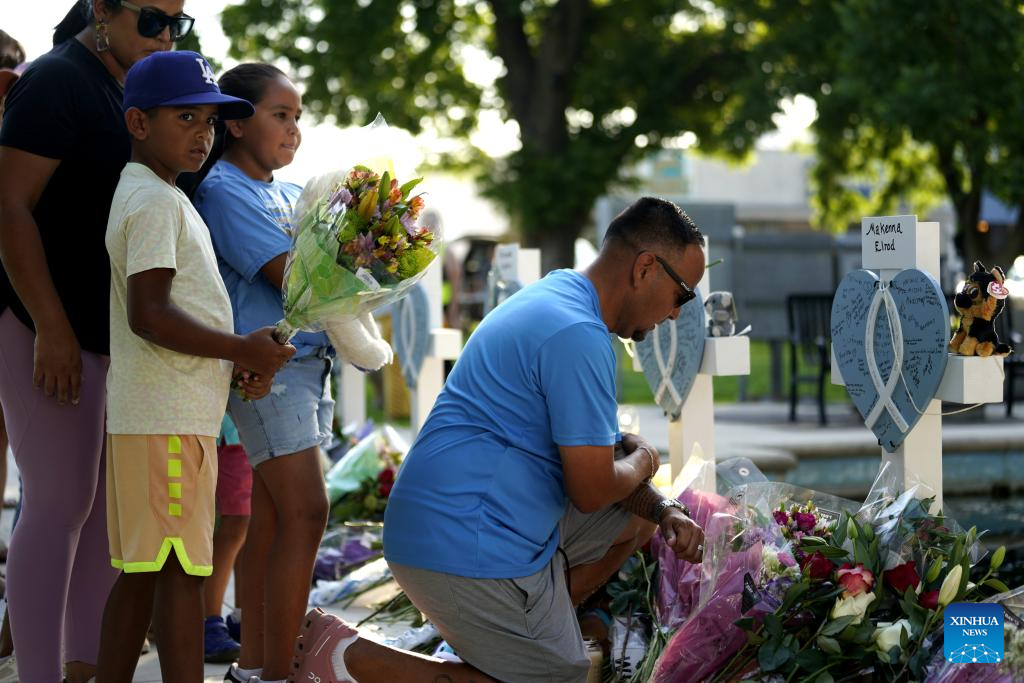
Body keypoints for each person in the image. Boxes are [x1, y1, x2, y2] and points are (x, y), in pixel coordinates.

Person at [287, 197, 708, 683]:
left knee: (635, 519)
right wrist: (647, 458)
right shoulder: (577, 334)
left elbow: (607, 468)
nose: (675, 315)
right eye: (683, 295)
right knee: (560, 678)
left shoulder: (560, 295)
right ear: (645, 268)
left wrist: (664, 509)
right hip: (460, 542)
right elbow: (593, 489)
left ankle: (519, 636)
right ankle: (349, 658)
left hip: (460, 523)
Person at [0, 2, 190, 680]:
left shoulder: (126, 89)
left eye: (178, 23)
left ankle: (84, 668)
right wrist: (50, 326)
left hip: (114, 337)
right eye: (152, 18)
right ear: (102, 8)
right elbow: (9, 208)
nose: (166, 35)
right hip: (44, 326)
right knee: (59, 502)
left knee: (108, 513)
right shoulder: (57, 79)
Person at [94, 50, 295, 681]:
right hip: (166, 420)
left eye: (209, 121)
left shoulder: (159, 195)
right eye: (185, 117)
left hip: (161, 415)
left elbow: (170, 313)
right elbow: (149, 315)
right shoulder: (155, 201)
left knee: (145, 571)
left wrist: (234, 363)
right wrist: (241, 349)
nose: (202, 133)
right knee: (181, 572)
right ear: (138, 122)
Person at [191, 62, 337, 683]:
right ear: (236, 122)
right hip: (269, 371)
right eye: (280, 115)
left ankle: (254, 667)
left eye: (298, 117)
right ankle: (282, 671)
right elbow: (295, 279)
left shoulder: (290, 191)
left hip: (307, 365)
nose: (294, 129)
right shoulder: (225, 190)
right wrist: (355, 266)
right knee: (308, 512)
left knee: (273, 520)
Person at [203, 414, 252, 663]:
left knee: (249, 525)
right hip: (226, 431)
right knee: (236, 522)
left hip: (251, 431)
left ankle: (242, 618)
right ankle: (209, 621)